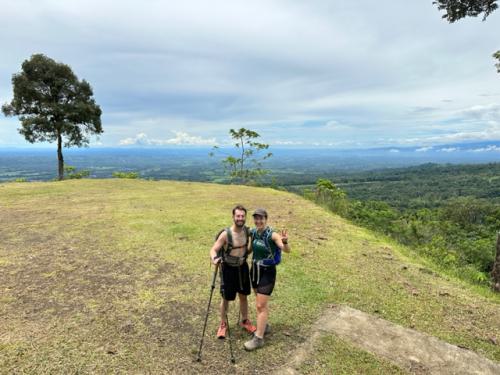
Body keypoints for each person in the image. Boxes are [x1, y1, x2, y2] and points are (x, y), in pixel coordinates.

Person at [244, 208, 290, 351]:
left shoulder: (272, 235)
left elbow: (286, 249)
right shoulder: (254, 232)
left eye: (261, 218)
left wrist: (285, 242)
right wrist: (237, 253)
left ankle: (258, 339)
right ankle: (264, 325)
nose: (258, 221)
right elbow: (251, 249)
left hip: (268, 272)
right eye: (256, 218)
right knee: (259, 301)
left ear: (266, 219)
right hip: (255, 270)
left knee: (260, 305)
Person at [209, 204, 257, 339]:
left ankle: (245, 321)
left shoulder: (248, 232)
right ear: (233, 217)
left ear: (245, 217)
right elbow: (213, 249)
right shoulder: (226, 234)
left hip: (242, 267)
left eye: (242, 216)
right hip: (228, 269)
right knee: (226, 298)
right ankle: (223, 324)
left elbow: (256, 238)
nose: (240, 218)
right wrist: (215, 259)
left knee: (243, 295)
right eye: (238, 216)